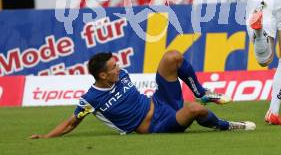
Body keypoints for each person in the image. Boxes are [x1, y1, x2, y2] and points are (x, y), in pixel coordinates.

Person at [30, 51, 255, 138]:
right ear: (103, 75)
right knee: (195, 109)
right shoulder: (91, 99)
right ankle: (228, 125)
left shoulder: (121, 75)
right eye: (114, 68)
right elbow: (71, 123)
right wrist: (46, 137)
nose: (119, 69)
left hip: (161, 101)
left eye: (117, 65)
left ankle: (200, 91)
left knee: (172, 57)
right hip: (157, 125)